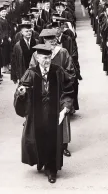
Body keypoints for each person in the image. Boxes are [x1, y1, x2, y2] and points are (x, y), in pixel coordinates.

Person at [14, 44, 74, 184]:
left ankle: (51, 169)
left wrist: (65, 107)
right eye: (44, 58)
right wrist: (21, 94)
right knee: (38, 137)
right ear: (37, 58)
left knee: (52, 139)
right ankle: (41, 160)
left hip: (54, 113)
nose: (47, 61)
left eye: (49, 57)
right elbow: (23, 89)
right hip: (37, 113)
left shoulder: (58, 71)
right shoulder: (31, 72)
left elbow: (68, 89)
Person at [29, 29, 75, 157]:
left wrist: (60, 77)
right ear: (44, 40)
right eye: (49, 39)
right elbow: (31, 71)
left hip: (59, 91)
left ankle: (64, 145)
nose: (53, 41)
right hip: (43, 91)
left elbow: (71, 72)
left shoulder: (63, 52)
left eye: (54, 39)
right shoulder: (36, 55)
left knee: (62, 118)